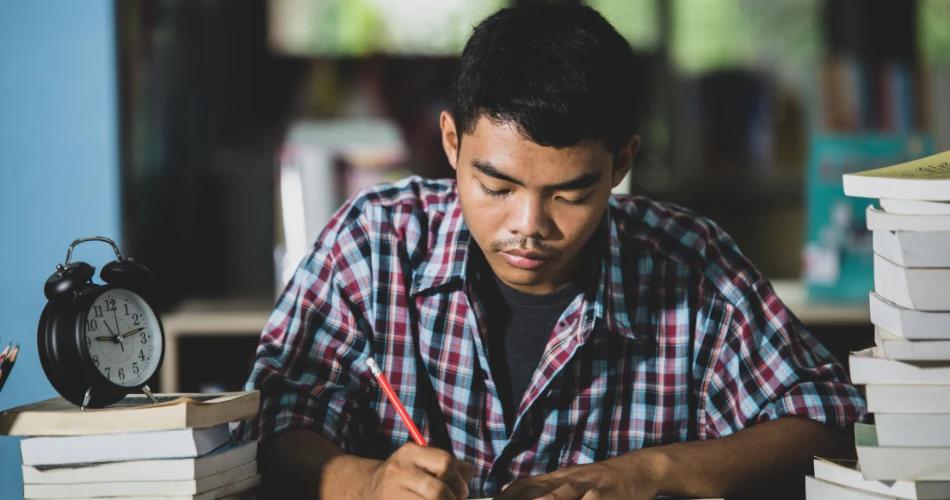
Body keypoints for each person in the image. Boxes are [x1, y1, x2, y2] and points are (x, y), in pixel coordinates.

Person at [239, 4, 866, 499]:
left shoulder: (690, 263)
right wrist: (364, 483)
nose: (529, 226)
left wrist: (649, 472)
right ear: (452, 143)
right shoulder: (373, 245)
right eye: (496, 186)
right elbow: (269, 425)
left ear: (622, 162)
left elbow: (825, 422)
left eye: (571, 192)